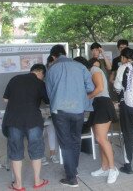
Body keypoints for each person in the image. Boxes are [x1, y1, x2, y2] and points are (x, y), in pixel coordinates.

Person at [45, 45, 95, 188]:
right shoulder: (80, 67)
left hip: (60, 111)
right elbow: (91, 88)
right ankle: (74, 169)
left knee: (65, 143)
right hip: (78, 110)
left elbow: (49, 93)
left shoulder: (52, 69)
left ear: (53, 56)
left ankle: (71, 178)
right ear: (65, 53)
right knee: (75, 139)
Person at [2, 64, 50, 191]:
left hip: (14, 120)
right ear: (40, 72)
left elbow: (5, 100)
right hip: (33, 119)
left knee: (16, 149)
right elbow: (48, 101)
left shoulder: (15, 79)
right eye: (43, 75)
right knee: (36, 149)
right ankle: (37, 181)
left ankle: (18, 184)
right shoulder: (40, 83)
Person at [76, 57, 119, 184]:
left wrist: (87, 98)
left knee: (101, 139)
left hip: (103, 104)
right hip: (97, 104)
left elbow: (99, 88)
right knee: (99, 139)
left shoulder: (94, 69)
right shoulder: (88, 73)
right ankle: (104, 167)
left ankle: (113, 169)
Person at [41, 56, 59, 165]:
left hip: (53, 109)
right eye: (50, 65)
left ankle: (53, 154)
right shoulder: (42, 81)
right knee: (40, 133)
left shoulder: (58, 79)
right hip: (40, 110)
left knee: (52, 130)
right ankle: (41, 155)